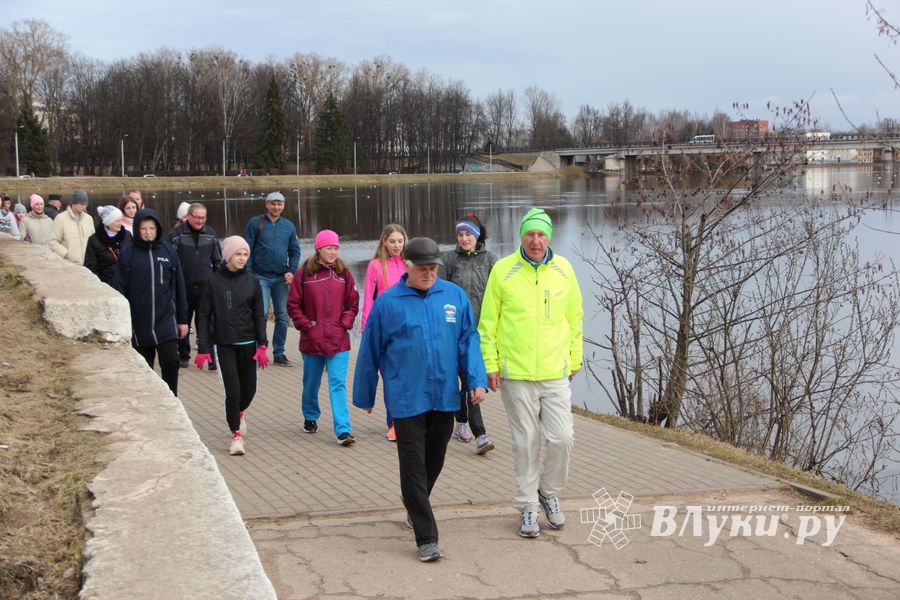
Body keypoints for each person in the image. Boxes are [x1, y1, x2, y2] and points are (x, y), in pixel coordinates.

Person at [353, 237, 487, 562]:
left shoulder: (453, 296)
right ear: (408, 267)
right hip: (405, 397)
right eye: (423, 268)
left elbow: (469, 339)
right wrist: (365, 393)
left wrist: (476, 380)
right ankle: (426, 537)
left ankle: (416, 502)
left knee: (435, 458)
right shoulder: (388, 303)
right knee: (412, 465)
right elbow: (371, 349)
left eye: (433, 268)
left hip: (444, 396)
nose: (428, 273)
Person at [478, 207, 584, 539]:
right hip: (517, 374)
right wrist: (491, 364)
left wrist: (575, 358)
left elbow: (575, 319)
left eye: (541, 235)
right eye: (529, 234)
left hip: (555, 372)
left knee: (562, 438)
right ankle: (526, 506)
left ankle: (548, 492)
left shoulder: (564, 270)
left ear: (548, 237)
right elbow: (487, 325)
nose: (535, 241)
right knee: (525, 443)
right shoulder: (503, 270)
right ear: (521, 236)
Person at [195, 236, 269, 456]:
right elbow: (204, 315)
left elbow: (259, 315)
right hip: (224, 344)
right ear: (228, 255)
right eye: (238, 254)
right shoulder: (213, 282)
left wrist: (263, 344)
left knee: (250, 390)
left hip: (248, 343)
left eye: (245, 254)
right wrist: (203, 348)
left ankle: (240, 413)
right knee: (233, 390)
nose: (242, 258)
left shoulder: (252, 282)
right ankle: (235, 434)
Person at [287, 230, 360, 445]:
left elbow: (352, 304)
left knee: (338, 384)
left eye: (336, 248)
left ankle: (343, 430)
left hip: (338, 340)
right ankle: (310, 416)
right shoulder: (304, 274)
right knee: (311, 383)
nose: (333, 252)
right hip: (312, 340)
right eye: (329, 248)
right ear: (319, 249)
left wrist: (344, 324)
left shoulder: (344, 273)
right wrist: (307, 326)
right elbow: (293, 305)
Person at [114, 208, 189, 396]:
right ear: (137, 229)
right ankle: (148, 401)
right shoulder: (128, 253)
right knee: (144, 368)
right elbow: (119, 287)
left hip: (165, 319)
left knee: (171, 361)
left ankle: (172, 398)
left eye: (152, 228)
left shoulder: (168, 251)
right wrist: (122, 321)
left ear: (158, 229)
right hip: (139, 321)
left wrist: (183, 319)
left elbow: (179, 286)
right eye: (144, 228)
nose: (148, 232)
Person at [440, 213, 497, 455]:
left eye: (468, 234)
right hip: (453, 331)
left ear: (477, 235)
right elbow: (440, 294)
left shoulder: (491, 260)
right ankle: (462, 421)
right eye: (460, 234)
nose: (464, 239)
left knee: (472, 380)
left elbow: (497, 295)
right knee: (457, 381)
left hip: (480, 332)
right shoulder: (448, 259)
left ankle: (479, 434)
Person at [360, 223, 408, 441]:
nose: (397, 245)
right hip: (384, 330)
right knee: (390, 378)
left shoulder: (410, 264)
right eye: (392, 241)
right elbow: (369, 298)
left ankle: (411, 420)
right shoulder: (375, 266)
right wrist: (367, 329)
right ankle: (393, 423)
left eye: (400, 241)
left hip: (408, 329)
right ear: (384, 242)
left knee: (408, 377)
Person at [242, 191, 301, 367]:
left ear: (283, 206)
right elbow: (247, 249)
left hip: (281, 278)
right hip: (260, 276)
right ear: (266, 205)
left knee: (283, 316)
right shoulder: (255, 223)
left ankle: (279, 352)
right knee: (262, 313)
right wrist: (250, 273)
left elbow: (295, 251)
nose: (276, 207)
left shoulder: (289, 226)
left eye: (280, 204)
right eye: (273, 203)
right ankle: (259, 348)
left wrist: (291, 271)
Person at [169, 202, 223, 370]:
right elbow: (170, 263)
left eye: (203, 218)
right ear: (188, 216)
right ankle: (184, 355)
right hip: (183, 286)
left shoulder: (211, 234)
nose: (200, 221)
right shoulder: (176, 234)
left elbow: (218, 261)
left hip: (206, 288)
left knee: (207, 323)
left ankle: (211, 357)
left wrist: (217, 282)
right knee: (183, 321)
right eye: (197, 217)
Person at [84, 205, 132, 286]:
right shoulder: (94, 240)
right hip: (107, 284)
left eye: (121, 220)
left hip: (127, 282)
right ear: (108, 222)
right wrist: (102, 285)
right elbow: (90, 267)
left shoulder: (127, 235)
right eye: (117, 221)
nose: (121, 223)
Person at [49, 189, 94, 264]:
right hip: (69, 264)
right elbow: (52, 241)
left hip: (88, 264)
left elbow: (93, 240)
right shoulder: (60, 218)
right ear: (73, 203)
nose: (83, 206)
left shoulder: (89, 219)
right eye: (81, 204)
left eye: (85, 204)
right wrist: (66, 254)